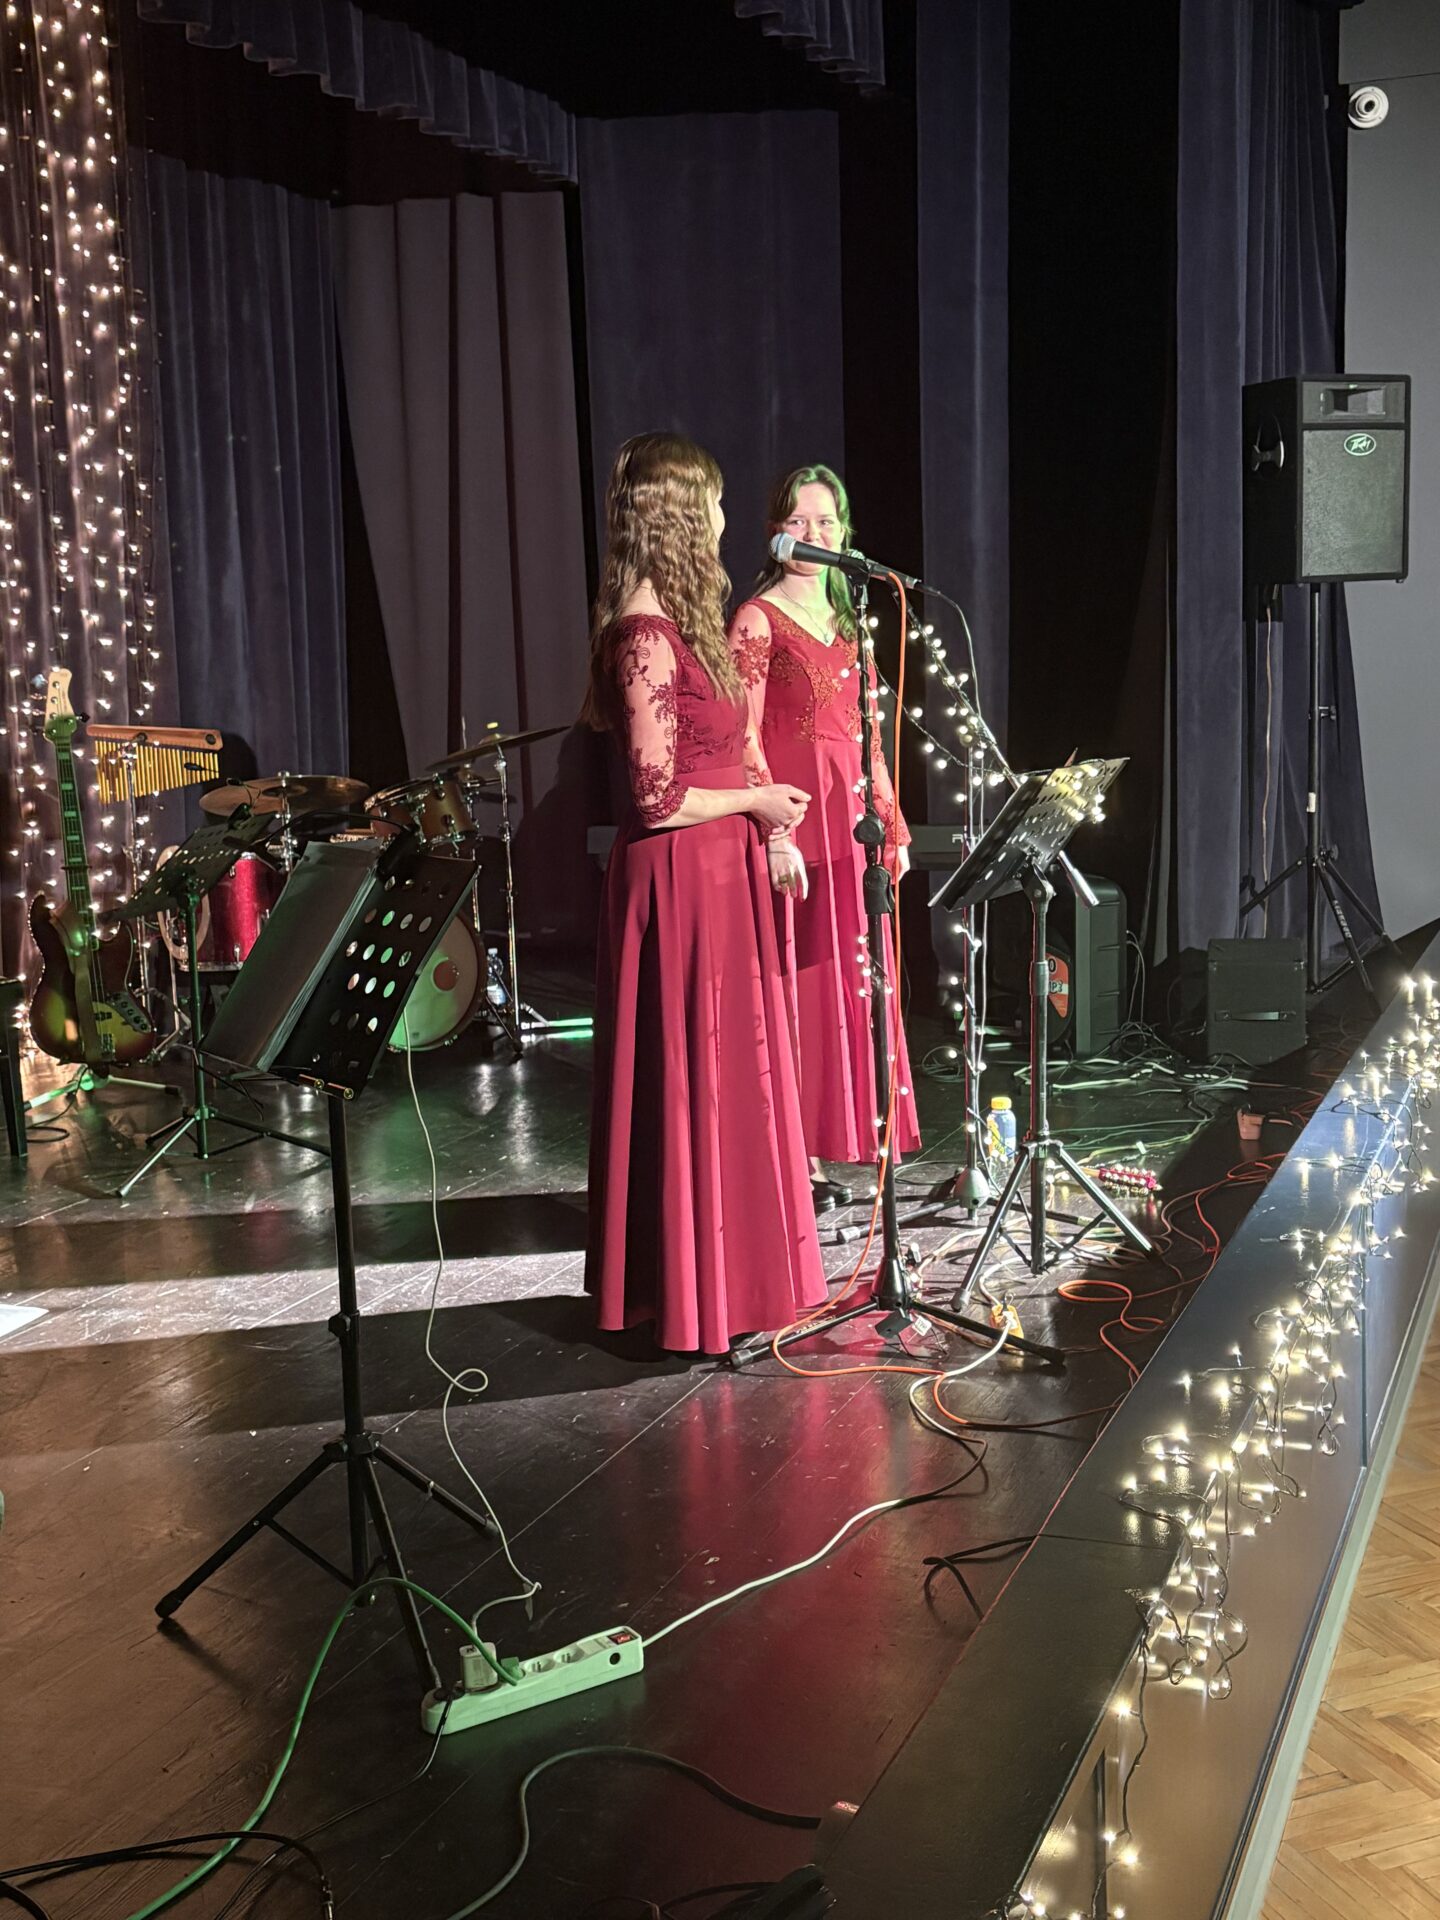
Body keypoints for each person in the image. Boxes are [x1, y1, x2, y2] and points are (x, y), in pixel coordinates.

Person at [583, 433, 828, 1353]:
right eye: (715, 503)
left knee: (733, 1084)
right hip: (679, 882)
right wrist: (757, 803)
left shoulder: (686, 624)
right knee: (693, 1085)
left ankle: (734, 1286)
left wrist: (765, 824)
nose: (727, 519)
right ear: (682, 516)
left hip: (719, 874)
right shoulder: (644, 635)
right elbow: (655, 798)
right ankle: (692, 1299)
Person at [729, 464, 921, 1211]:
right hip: (795, 815)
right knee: (795, 980)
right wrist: (774, 831)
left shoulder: (850, 624)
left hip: (852, 822)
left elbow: (870, 739)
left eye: (826, 523)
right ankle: (795, 1156)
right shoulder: (757, 619)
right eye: (799, 522)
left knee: (852, 976)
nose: (814, 535)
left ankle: (846, 1135)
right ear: (776, 532)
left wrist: (892, 823)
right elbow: (743, 733)